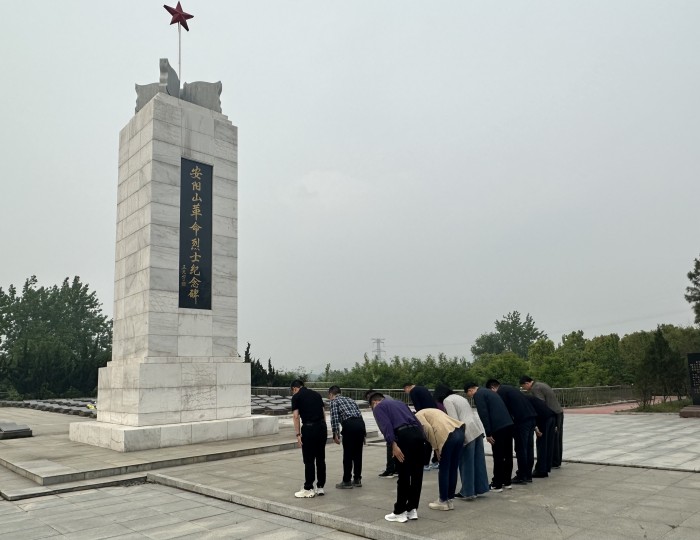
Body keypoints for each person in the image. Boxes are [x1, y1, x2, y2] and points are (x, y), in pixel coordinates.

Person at [369, 392, 425, 523]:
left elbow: (386, 426)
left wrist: (393, 445)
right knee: (417, 475)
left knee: (404, 475)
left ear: (375, 402)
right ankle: (412, 509)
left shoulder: (378, 407)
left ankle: (400, 512)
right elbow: (417, 421)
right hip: (418, 435)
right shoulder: (400, 403)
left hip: (403, 436)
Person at [434, 384, 489, 500]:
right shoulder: (460, 397)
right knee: (478, 462)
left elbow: (454, 420)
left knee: (466, 463)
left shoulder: (447, 401)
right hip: (476, 429)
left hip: (466, 431)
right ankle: (480, 488)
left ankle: (467, 492)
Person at [464, 381, 514, 492]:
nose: (471, 396)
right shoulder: (488, 392)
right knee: (507, 454)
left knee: (498, 455)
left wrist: (488, 433)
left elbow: (484, 414)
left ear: (471, 390)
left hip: (498, 427)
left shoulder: (478, 394)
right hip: (508, 424)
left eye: (469, 394)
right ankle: (507, 482)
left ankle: (497, 484)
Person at [485, 379, 537, 485]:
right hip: (531, 418)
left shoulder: (500, 393)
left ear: (492, 388)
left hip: (521, 421)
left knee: (521, 448)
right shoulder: (509, 388)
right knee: (528, 448)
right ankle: (528, 475)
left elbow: (504, 410)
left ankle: (522, 476)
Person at [415, 408, 465, 511]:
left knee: (444, 469)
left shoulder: (417, 416)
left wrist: (436, 448)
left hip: (447, 436)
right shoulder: (430, 410)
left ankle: (442, 501)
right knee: (453, 468)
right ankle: (450, 500)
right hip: (459, 432)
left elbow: (428, 429)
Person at [291, 380, 327, 498]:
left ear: (295, 389)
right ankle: (320, 487)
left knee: (309, 459)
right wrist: (324, 428)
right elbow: (323, 413)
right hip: (321, 428)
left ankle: (308, 488)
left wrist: (298, 434)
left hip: (309, 428)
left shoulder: (296, 397)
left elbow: (296, 416)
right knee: (320, 458)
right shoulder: (317, 394)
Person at [520, 375, 564, 468]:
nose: (524, 389)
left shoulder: (535, 388)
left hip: (551, 414)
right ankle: (556, 461)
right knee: (557, 438)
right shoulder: (541, 384)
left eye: (523, 386)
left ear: (527, 383)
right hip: (558, 412)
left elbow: (540, 404)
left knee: (550, 439)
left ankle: (552, 462)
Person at [328, 385, 366, 489]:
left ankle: (347, 481)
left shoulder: (334, 401)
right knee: (358, 454)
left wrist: (335, 434)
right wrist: (364, 433)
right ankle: (357, 479)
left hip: (349, 425)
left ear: (331, 394)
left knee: (348, 455)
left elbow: (334, 418)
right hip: (360, 425)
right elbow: (360, 415)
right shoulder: (350, 400)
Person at [403, 383, 439, 470]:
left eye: (405, 390)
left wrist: (418, 416)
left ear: (407, 388)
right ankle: (436, 461)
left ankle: (425, 464)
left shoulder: (413, 391)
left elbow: (418, 405)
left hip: (426, 415)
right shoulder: (423, 388)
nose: (406, 392)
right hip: (434, 414)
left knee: (427, 439)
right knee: (435, 438)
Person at [365, 389, 397, 478]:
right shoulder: (387, 398)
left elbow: (381, 421)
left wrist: (386, 433)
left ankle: (390, 470)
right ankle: (397, 469)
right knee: (397, 448)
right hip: (399, 425)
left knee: (390, 447)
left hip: (391, 428)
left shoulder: (377, 404)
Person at [525, 394, 556, 477]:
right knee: (548, 445)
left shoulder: (524, 401)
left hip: (543, 420)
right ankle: (546, 469)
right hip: (551, 417)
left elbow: (530, 414)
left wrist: (536, 428)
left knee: (542, 445)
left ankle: (541, 470)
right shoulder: (530, 397)